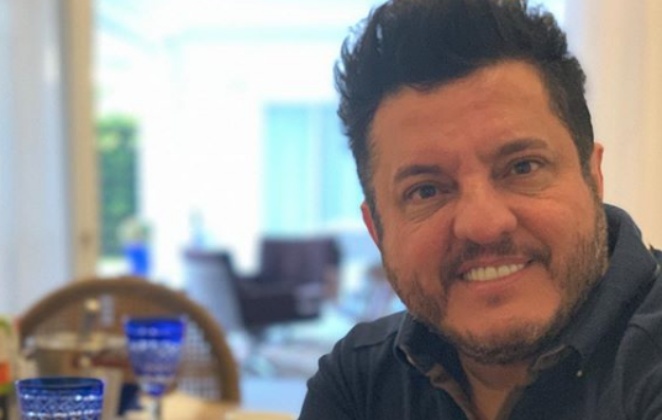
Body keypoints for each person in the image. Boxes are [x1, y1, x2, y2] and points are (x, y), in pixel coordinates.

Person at [299, 0, 662, 419]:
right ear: (377, 230)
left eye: (522, 167)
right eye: (426, 191)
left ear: (593, 177)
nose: (484, 224)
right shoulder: (359, 383)